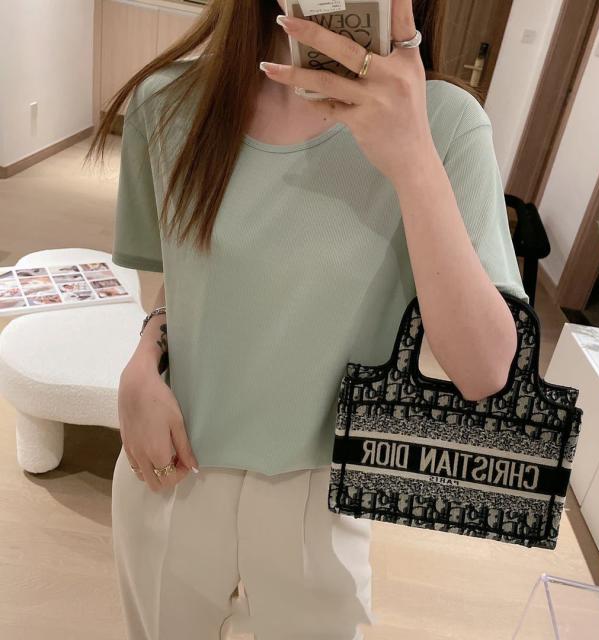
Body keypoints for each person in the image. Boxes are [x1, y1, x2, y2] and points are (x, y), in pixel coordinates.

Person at [87, 0, 529, 638]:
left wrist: (413, 158)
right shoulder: (167, 103)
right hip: (174, 465)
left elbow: (485, 370)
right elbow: (176, 286)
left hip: (320, 491)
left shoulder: (445, 123)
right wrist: (142, 362)